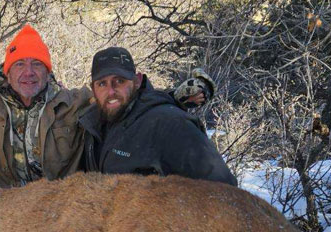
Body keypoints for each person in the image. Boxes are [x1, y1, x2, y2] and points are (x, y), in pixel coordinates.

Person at [0, 25, 91, 189]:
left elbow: (111, 98)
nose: (29, 72)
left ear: (47, 73)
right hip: (1, 205)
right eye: (19, 64)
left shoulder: (73, 103)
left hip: (58, 207)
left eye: (37, 64)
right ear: (8, 73)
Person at [79, 47, 236, 185]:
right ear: (93, 88)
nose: (111, 91)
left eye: (119, 81)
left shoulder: (170, 124)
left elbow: (224, 193)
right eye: (102, 84)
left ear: (137, 81)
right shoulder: (91, 124)